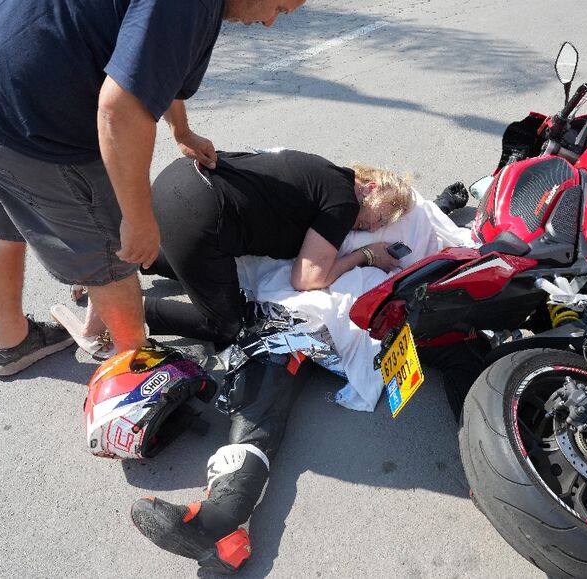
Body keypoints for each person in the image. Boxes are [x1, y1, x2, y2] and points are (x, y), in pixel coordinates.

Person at [0, 0, 306, 376]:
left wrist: (180, 130)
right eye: (278, 7)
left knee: (0, 229)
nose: (270, 23)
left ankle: (13, 343)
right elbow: (119, 112)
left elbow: (155, 64)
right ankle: (137, 375)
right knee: (111, 260)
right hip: (26, 110)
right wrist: (137, 218)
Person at [122, 149, 415, 572]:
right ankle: (221, 521)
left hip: (175, 187)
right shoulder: (344, 201)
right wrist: (368, 255)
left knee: (265, 384)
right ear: (370, 186)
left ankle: (222, 524)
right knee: (231, 331)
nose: (364, 228)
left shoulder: (316, 173)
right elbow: (309, 276)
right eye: (370, 221)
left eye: (370, 229)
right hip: (266, 286)